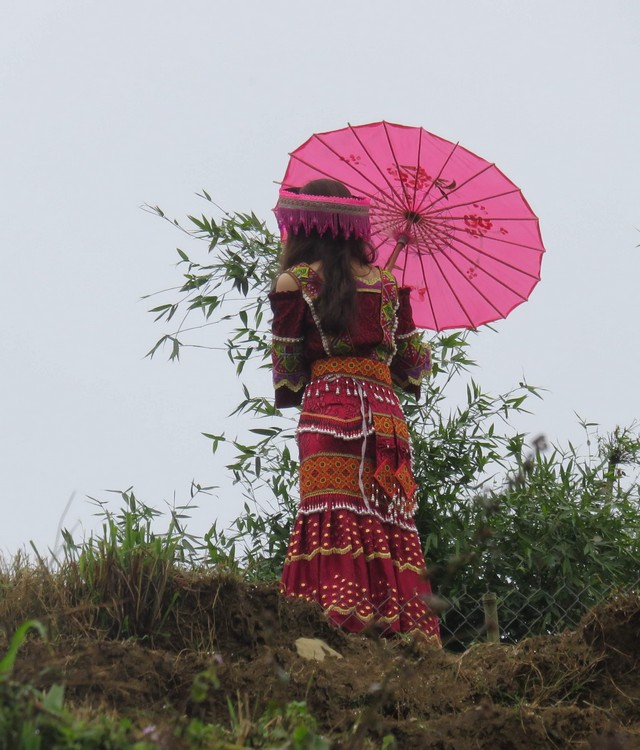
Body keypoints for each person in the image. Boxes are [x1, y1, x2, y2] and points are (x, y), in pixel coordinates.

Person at [269, 179, 440, 642]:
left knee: (332, 511)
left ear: (304, 227)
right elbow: (411, 368)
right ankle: (399, 629)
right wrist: (393, 327)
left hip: (330, 412)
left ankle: (336, 620)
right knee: (386, 518)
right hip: (385, 419)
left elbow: (287, 375)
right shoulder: (388, 284)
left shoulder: (294, 282)